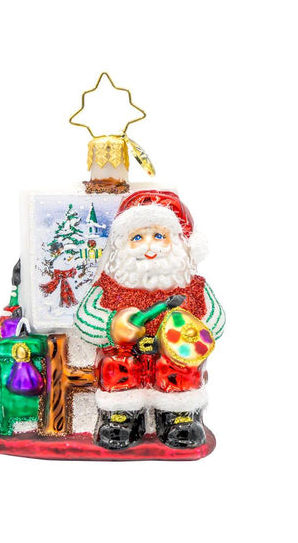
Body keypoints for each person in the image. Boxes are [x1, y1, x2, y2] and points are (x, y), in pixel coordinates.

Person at [75, 190, 225, 449]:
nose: (149, 246)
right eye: (137, 237)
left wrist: (193, 334)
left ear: (178, 243)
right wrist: (110, 326)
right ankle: (121, 417)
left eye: (158, 236)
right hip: (127, 354)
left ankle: (179, 416)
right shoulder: (109, 286)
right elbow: (84, 315)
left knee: (180, 368)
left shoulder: (194, 287)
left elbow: (215, 318)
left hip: (173, 356)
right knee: (116, 366)